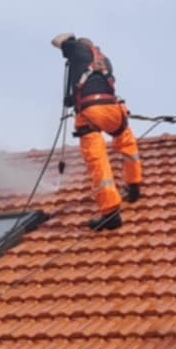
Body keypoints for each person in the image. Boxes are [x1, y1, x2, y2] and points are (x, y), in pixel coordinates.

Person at [52, 33, 144, 231]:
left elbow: (57, 40)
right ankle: (134, 185)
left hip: (91, 111)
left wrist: (70, 39)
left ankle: (110, 214)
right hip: (114, 109)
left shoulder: (78, 50)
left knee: (97, 158)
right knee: (127, 142)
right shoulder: (104, 61)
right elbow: (92, 83)